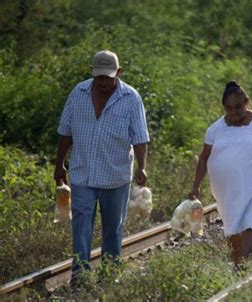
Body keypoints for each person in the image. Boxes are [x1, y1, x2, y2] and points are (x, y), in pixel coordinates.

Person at [54, 50, 150, 286]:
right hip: (82, 172)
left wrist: (142, 166)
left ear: (118, 73)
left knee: (112, 228)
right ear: (92, 73)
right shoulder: (78, 93)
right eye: (99, 77)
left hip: (115, 176)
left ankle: (109, 273)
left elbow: (140, 137)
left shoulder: (130, 98)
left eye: (108, 77)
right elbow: (65, 131)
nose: (104, 82)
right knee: (81, 224)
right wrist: (59, 165)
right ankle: (80, 275)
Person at [189, 81, 252, 267]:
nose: (234, 112)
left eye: (238, 107)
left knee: (251, 222)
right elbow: (204, 158)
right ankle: (237, 265)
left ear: (246, 103)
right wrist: (195, 185)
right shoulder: (215, 129)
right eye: (229, 108)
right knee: (232, 227)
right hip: (227, 190)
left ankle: (242, 266)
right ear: (224, 107)